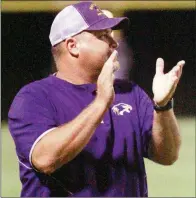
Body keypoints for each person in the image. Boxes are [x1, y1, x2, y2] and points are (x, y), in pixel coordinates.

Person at [8, 1, 185, 197]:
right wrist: (101, 103)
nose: (114, 43)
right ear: (73, 46)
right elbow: (45, 158)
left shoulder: (130, 92)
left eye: (112, 34)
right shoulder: (34, 97)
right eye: (103, 36)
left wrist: (162, 106)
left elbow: (167, 156)